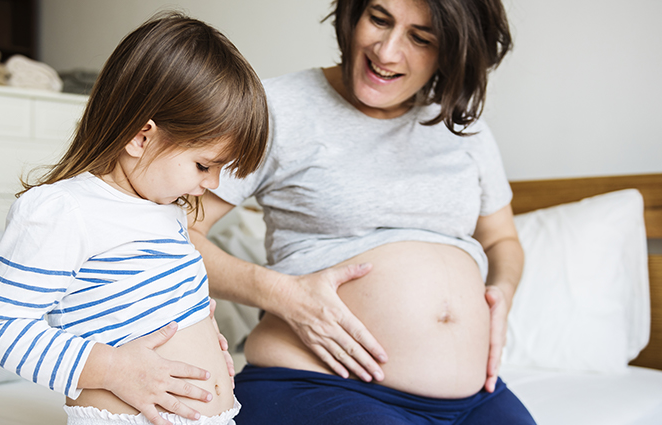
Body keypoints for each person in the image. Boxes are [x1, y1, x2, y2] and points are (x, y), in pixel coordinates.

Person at [187, 0, 537, 423]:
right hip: (319, 385)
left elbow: (502, 239)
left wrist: (503, 293)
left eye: (420, 37)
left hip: (476, 398)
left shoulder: (462, 125)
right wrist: (280, 293)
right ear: (353, 14)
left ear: (452, 51)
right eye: (379, 19)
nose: (386, 52)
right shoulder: (274, 107)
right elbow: (172, 233)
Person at [0, 13, 268, 425]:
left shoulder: (167, 209)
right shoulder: (64, 210)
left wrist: (206, 341)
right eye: (204, 165)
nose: (213, 183)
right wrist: (113, 369)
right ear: (140, 136)